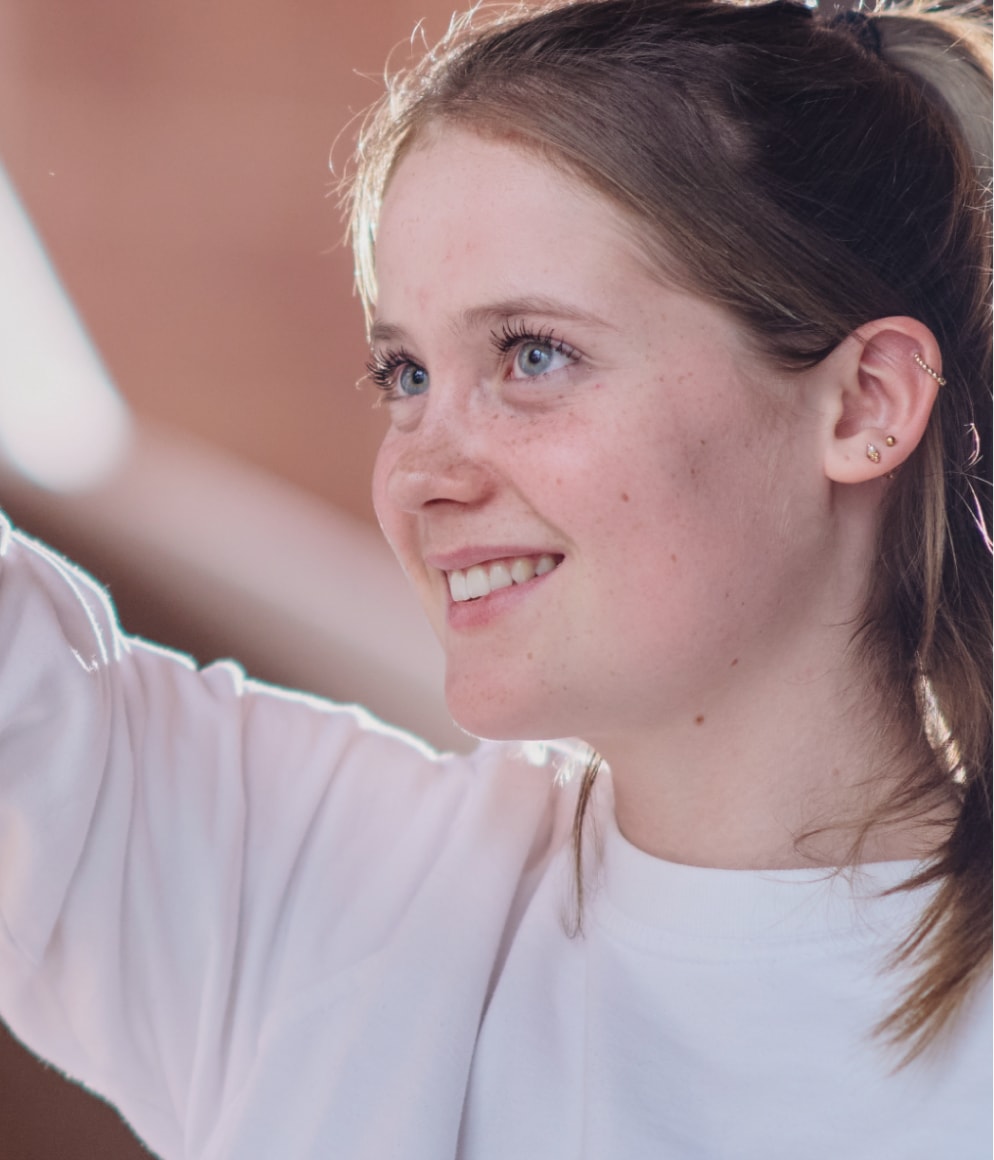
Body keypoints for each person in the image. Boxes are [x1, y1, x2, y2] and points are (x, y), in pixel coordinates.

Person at [0, 0, 990, 1156]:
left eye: (533, 354)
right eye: (404, 371)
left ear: (865, 403)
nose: (418, 473)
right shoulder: (312, 898)